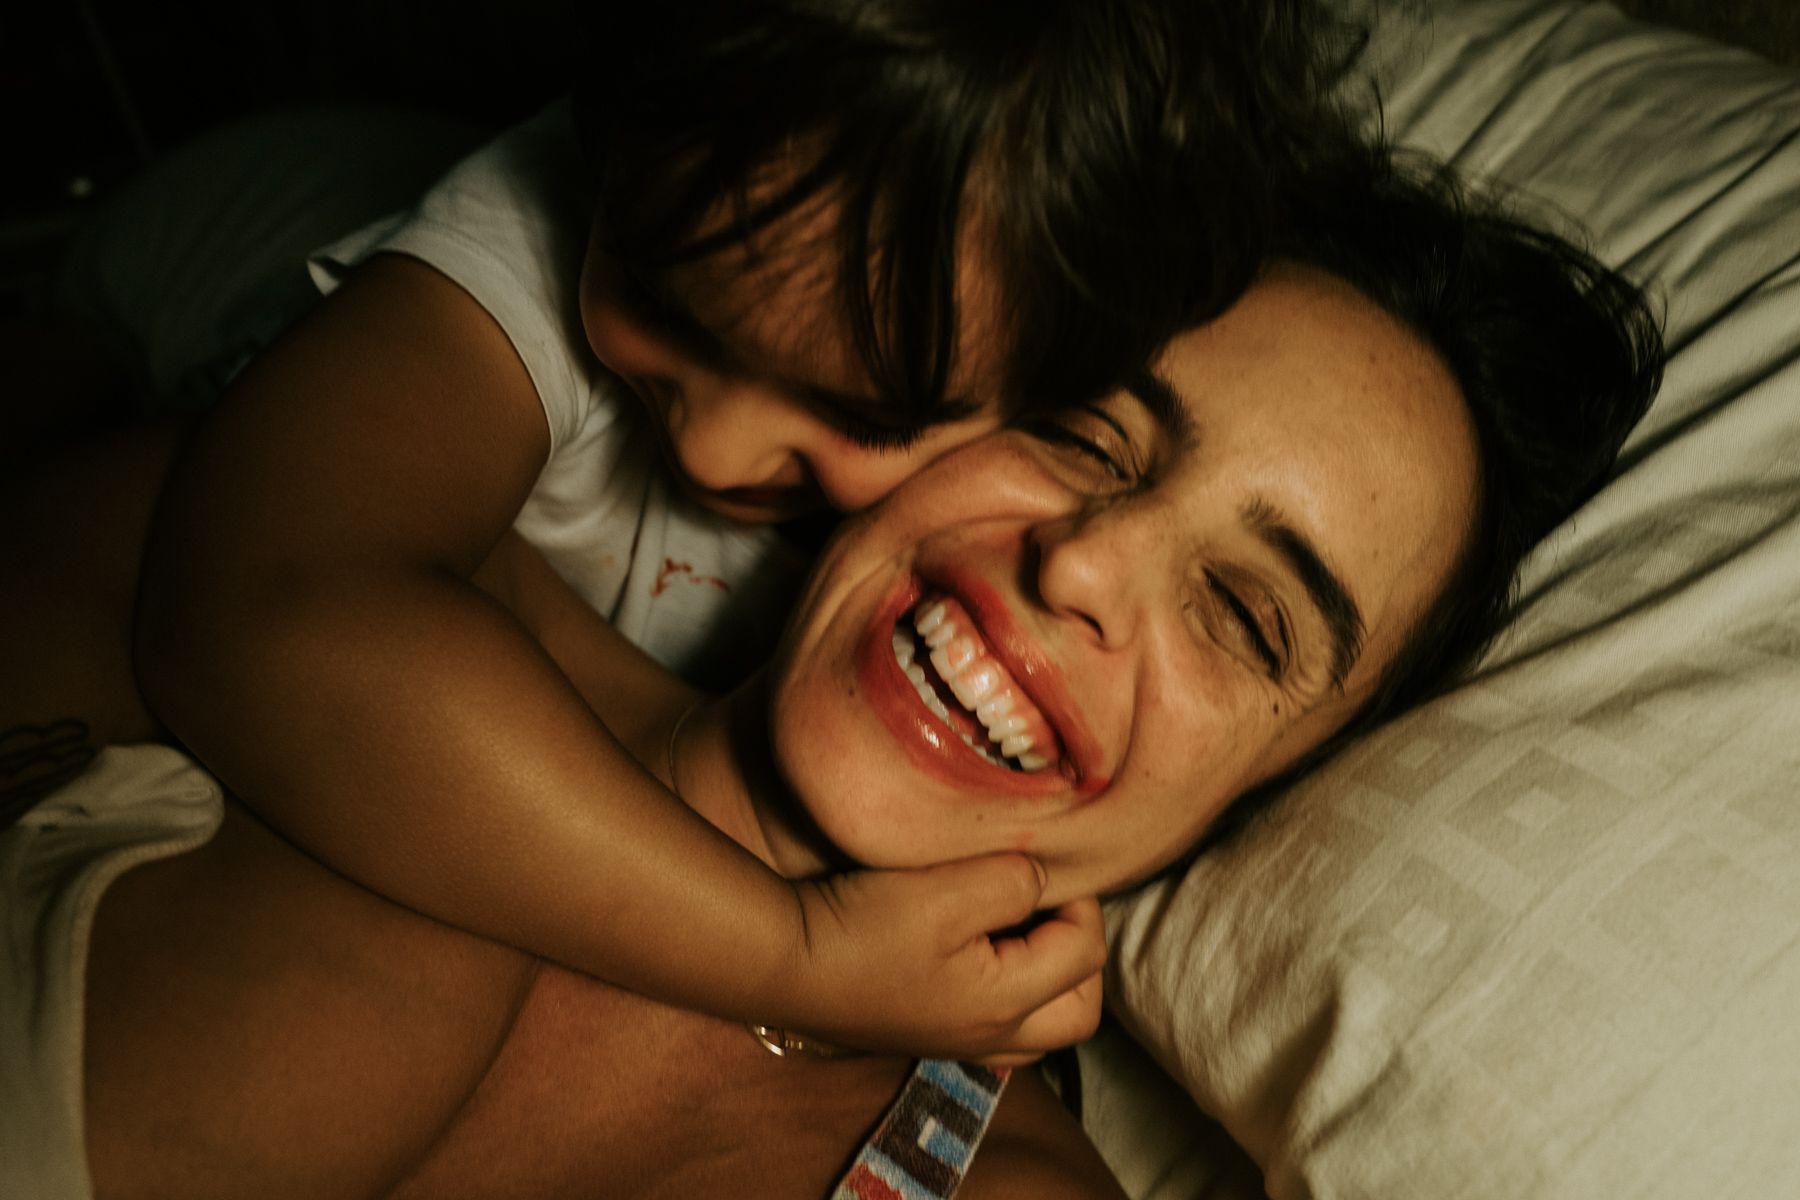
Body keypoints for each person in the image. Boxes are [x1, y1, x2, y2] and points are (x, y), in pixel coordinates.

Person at [6, 153, 1661, 1197]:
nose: (1085, 563)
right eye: (1085, 433)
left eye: (1242, 613)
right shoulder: (291, 562)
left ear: (1277, 796)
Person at [73, 0, 1369, 1062]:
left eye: (858, 410)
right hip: (202, 253)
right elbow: (259, 613)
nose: (713, 452)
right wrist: (792, 958)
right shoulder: (551, 218)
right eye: (660, 300)